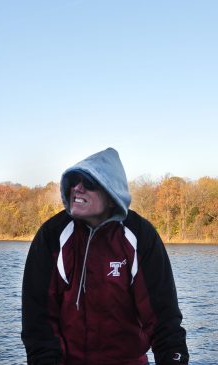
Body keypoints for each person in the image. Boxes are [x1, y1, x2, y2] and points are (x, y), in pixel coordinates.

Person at [21, 147, 189, 365]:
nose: (78, 188)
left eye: (89, 182)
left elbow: (163, 319)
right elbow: (38, 322)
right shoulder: (52, 236)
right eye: (74, 181)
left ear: (112, 196)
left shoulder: (139, 235)